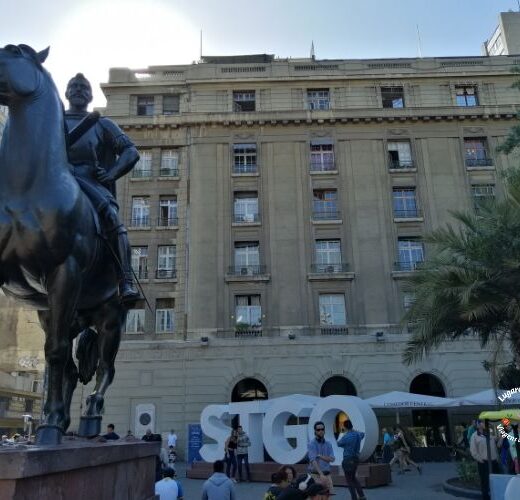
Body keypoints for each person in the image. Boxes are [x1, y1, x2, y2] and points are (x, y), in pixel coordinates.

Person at [64, 73, 140, 302]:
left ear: (90, 95)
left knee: (112, 217)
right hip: (55, 175)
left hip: (89, 180)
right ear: (66, 93)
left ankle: (125, 279)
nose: (78, 90)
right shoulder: (51, 121)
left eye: (84, 87)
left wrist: (110, 174)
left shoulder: (102, 124)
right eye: (74, 86)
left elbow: (130, 151)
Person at [470, 419, 500, 500]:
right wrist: (480, 460)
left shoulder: (490, 434)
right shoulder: (474, 436)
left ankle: (496, 497)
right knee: (485, 483)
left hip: (494, 462)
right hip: (484, 462)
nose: (485, 424)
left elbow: (497, 443)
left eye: (484, 422)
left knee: (496, 481)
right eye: (482, 422)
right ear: (478, 425)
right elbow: (473, 451)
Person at [337, 420, 366, 500]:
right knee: (353, 478)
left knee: (349, 480)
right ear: (352, 426)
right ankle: (362, 496)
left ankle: (354, 498)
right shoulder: (358, 434)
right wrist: (355, 431)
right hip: (356, 459)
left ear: (345, 427)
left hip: (347, 459)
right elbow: (363, 434)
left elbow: (338, 443)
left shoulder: (346, 436)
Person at [307, 421, 335, 494]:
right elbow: (313, 460)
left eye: (322, 429)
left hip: (327, 475)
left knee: (330, 496)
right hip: (315, 475)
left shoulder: (328, 444)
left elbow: (332, 459)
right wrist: (321, 474)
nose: (321, 431)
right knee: (317, 497)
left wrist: (320, 456)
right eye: (318, 430)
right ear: (315, 431)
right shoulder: (311, 444)